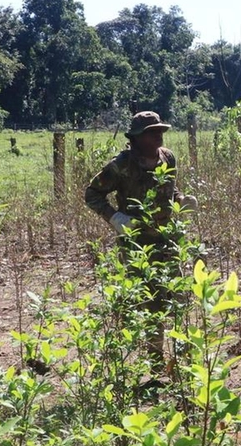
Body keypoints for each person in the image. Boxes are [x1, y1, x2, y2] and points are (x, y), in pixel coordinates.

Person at [84, 111, 196, 361]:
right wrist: (115, 218)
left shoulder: (168, 158)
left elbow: (170, 189)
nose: (159, 136)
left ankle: (182, 362)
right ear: (137, 137)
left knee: (177, 298)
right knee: (149, 304)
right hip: (137, 244)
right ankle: (154, 363)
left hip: (168, 239)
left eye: (160, 131)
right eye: (152, 132)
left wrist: (180, 200)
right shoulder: (121, 165)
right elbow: (92, 194)